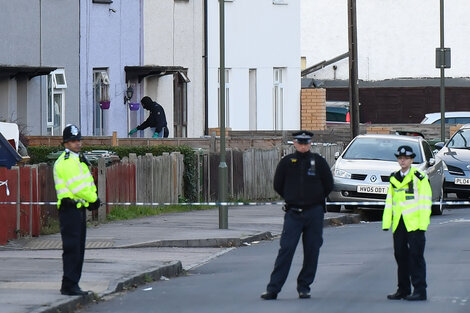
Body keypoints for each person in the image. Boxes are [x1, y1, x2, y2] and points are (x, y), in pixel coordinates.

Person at [261, 130, 334, 300]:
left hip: (314, 213)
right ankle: (273, 288)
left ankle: (304, 286)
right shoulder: (287, 162)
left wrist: (315, 198)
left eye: (306, 143)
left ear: (310, 144)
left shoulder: (319, 162)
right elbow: (278, 184)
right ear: (294, 143)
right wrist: (291, 197)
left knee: (312, 250)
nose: (303, 146)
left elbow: (328, 184)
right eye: (300, 143)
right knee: (286, 250)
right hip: (293, 213)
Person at [53, 124, 101, 296]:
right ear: (66, 143)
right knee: (72, 248)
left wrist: (91, 200)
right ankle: (69, 284)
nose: (77, 143)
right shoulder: (66, 162)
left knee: (79, 249)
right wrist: (94, 199)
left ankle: (73, 283)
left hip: (79, 209)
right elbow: (78, 186)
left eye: (78, 140)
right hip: (70, 210)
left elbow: (87, 183)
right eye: (73, 141)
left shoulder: (77, 160)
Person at [383, 145, 432, 301]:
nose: (402, 160)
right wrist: (386, 222)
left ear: (411, 160)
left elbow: (425, 201)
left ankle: (420, 290)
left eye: (406, 158)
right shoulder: (394, 178)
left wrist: (423, 224)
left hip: (415, 223)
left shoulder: (419, 177)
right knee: (400, 255)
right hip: (399, 223)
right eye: (400, 158)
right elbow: (389, 201)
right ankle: (403, 289)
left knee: (416, 256)